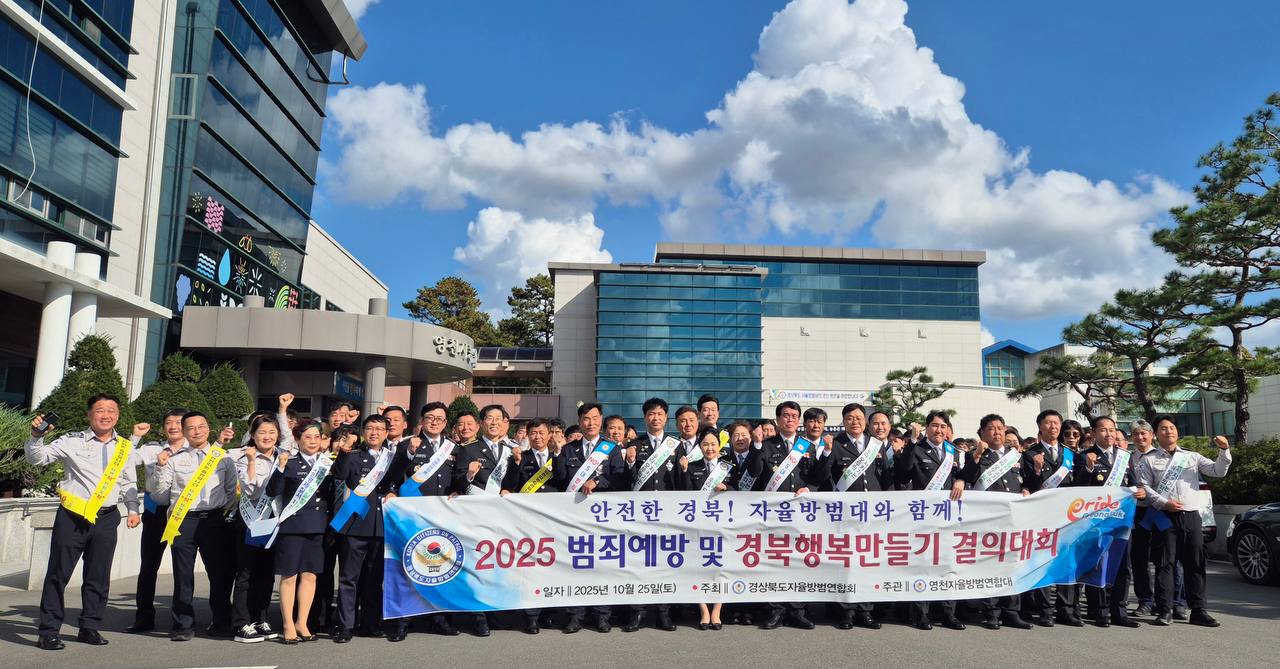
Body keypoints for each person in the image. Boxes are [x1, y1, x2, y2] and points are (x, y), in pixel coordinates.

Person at [26, 395, 143, 650]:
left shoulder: (125, 447)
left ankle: (89, 627)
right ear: (89, 415)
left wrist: (133, 509)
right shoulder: (71, 441)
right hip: (73, 517)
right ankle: (49, 631)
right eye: (100, 410)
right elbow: (38, 458)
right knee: (58, 573)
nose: (106, 415)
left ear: (118, 416)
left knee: (98, 576)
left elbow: (128, 482)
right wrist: (36, 436)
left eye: (111, 410)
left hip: (107, 518)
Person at [148, 412, 239, 641]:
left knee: (219, 574)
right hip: (183, 521)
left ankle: (221, 622)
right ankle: (183, 625)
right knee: (183, 575)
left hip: (214, 521)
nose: (197, 431)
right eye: (191, 428)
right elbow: (160, 496)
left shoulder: (223, 458)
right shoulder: (174, 459)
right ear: (184, 431)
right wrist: (159, 468)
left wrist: (219, 513)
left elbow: (231, 492)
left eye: (201, 426)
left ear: (209, 428)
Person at [1135, 416, 1231, 627]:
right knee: (1165, 563)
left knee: (1195, 563)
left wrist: (1224, 450)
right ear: (1155, 434)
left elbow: (1217, 471)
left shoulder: (1191, 456)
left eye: (1171, 427)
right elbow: (1144, 487)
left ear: (1177, 432)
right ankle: (1165, 610)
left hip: (1191, 516)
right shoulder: (1149, 459)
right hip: (1164, 516)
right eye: (1163, 428)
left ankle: (1198, 610)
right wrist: (1164, 503)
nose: (1168, 431)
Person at [386, 402, 463, 640]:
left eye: (440, 418)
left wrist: (459, 489)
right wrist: (409, 453)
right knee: (410, 566)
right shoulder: (407, 444)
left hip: (443, 516)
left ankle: (439, 618)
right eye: (430, 417)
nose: (435, 422)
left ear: (445, 422)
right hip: (414, 516)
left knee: (441, 567)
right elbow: (394, 475)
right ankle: (404, 619)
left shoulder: (454, 448)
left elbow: (458, 478)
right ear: (421, 420)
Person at [811, 403, 889, 630]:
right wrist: (827, 452)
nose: (855, 422)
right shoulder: (835, 444)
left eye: (859, 418)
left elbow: (885, 478)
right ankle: (846, 612)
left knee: (867, 563)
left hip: (871, 514)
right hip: (844, 515)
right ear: (844, 421)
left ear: (865, 421)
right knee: (845, 564)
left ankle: (866, 610)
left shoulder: (876, 445)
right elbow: (822, 477)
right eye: (850, 418)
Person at [894, 410, 973, 631]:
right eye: (935, 425)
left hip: (948, 518)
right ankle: (921, 613)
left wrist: (961, 480)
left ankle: (948, 613)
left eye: (943, 426)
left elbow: (969, 475)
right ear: (927, 428)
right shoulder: (916, 449)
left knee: (947, 565)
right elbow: (903, 474)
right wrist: (912, 441)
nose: (939, 430)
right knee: (923, 566)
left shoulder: (954, 452)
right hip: (922, 518)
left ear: (947, 430)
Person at [749, 401, 817, 630]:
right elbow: (754, 472)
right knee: (775, 560)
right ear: (778, 419)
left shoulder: (807, 446)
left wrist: (809, 489)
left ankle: (798, 610)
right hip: (773, 513)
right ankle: (775, 609)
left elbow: (818, 477)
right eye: (786, 415)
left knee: (799, 560)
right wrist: (756, 446)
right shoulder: (766, 445)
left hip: (800, 513)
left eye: (794, 416)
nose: (790, 419)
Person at [330, 414, 397, 642]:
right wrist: (342, 453)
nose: (374, 433)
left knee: (374, 578)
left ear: (386, 433)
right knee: (349, 578)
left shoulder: (392, 458)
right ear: (363, 432)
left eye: (379, 429)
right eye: (370, 428)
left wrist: (393, 491)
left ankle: (369, 623)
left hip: (382, 527)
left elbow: (398, 483)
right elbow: (339, 476)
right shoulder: (353, 456)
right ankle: (345, 625)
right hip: (356, 525)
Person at [265, 422, 334, 644]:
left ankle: (302, 622)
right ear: (297, 439)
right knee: (289, 576)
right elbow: (272, 491)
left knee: (310, 576)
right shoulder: (290, 463)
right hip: (293, 527)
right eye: (308, 437)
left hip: (318, 526)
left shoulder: (328, 463)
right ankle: (287, 623)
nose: (313, 441)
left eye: (317, 437)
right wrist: (280, 468)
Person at [561, 402, 624, 633]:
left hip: (602, 517)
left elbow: (619, 478)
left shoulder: (611, 449)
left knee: (602, 566)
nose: (591, 423)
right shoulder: (568, 449)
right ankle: (575, 615)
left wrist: (597, 481)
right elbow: (560, 479)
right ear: (579, 422)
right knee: (577, 565)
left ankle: (602, 614)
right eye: (586, 419)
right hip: (575, 517)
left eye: (595, 418)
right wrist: (557, 454)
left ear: (601, 421)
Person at [500, 418, 567, 634]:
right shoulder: (521, 457)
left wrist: (558, 454)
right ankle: (531, 616)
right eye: (533, 433)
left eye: (541, 433)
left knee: (552, 566)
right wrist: (516, 463)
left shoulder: (559, 456)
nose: (537, 437)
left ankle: (549, 613)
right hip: (528, 521)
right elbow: (509, 485)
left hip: (553, 520)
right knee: (531, 567)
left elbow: (564, 480)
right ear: (528, 436)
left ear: (549, 435)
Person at [623, 398, 684, 632]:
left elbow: (681, 482)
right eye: (651, 414)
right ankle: (637, 612)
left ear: (666, 418)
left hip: (667, 514)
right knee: (638, 563)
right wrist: (630, 462)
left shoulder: (675, 445)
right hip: (641, 513)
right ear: (645, 417)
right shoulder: (635, 444)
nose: (655, 418)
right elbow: (625, 481)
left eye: (659, 414)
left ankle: (663, 613)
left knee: (664, 564)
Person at [1075, 415, 1141, 628]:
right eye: (1103, 430)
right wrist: (1089, 468)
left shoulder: (1125, 456)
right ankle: (1099, 610)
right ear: (1094, 433)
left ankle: (1119, 611)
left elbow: (1133, 483)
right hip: (1096, 522)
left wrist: (1139, 491)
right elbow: (1077, 488)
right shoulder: (1084, 456)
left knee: (1122, 566)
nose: (1109, 433)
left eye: (1112, 429)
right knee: (1098, 565)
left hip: (1121, 521)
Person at [127, 407, 188, 634]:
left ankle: (182, 620)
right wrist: (135, 437)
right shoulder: (151, 449)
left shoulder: (195, 451)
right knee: (148, 567)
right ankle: (143, 617)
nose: (173, 426)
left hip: (183, 515)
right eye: (169, 422)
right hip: (155, 514)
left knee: (182, 569)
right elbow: (124, 461)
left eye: (179, 422)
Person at [1019, 409, 1082, 627]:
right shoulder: (1029, 454)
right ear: (1040, 426)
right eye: (1048, 423)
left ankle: (1066, 609)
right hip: (1042, 517)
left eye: (1056, 422)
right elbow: (1027, 486)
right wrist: (1037, 471)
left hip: (1067, 517)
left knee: (1067, 563)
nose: (1053, 426)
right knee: (1042, 562)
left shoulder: (1071, 454)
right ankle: (1045, 610)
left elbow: (1079, 485)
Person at [969, 414, 1031, 630]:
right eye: (991, 428)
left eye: (1000, 428)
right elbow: (967, 477)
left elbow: (1028, 480)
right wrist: (976, 456)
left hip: (1013, 518)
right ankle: (991, 612)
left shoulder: (1016, 456)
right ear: (982, 433)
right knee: (991, 566)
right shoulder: (976, 455)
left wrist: (1027, 488)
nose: (996, 432)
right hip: (988, 519)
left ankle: (1012, 611)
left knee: (1013, 565)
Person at [230, 414, 287, 643]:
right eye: (262, 432)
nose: (267, 436)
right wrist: (252, 461)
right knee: (246, 573)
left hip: (273, 521)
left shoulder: (284, 456)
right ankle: (241, 623)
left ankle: (260, 618)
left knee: (266, 574)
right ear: (252, 435)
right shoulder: (245, 457)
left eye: (272, 432)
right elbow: (250, 490)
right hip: (250, 520)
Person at [676, 426, 728, 630]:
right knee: (698, 568)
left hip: (721, 525)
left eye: (713, 444)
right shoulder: (692, 467)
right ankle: (704, 609)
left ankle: (717, 609)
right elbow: (685, 493)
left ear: (719, 446)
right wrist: (683, 471)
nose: (709, 448)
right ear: (699, 447)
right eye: (705, 444)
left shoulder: (727, 467)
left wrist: (727, 488)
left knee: (720, 568)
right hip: (698, 525)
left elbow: (739, 491)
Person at [1127, 420, 1158, 616]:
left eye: (1143, 433)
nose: (1140, 437)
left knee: (1168, 558)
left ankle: (1174, 602)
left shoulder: (1163, 455)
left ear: (1152, 435)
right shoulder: (1127, 459)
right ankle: (1145, 600)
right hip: (1138, 513)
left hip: (1161, 511)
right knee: (1140, 558)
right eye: (1136, 434)